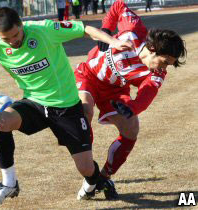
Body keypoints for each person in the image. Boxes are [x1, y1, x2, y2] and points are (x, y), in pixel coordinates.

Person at [0, 7, 132, 207]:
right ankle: (9, 183)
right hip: (35, 103)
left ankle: (96, 182)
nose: (13, 41)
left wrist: (114, 42)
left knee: (86, 168)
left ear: (21, 25)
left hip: (66, 106)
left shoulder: (44, 29)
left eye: (16, 35)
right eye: (7, 39)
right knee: (1, 122)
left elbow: (85, 29)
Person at [74, 0, 186, 200]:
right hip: (88, 76)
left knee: (131, 128)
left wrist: (132, 108)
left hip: (114, 91)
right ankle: (89, 173)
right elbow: (118, 6)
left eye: (169, 65)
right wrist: (107, 28)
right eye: (164, 61)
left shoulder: (156, 74)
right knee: (85, 111)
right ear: (153, 49)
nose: (164, 68)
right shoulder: (133, 30)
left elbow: (147, 94)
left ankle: (104, 177)